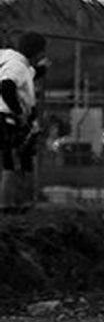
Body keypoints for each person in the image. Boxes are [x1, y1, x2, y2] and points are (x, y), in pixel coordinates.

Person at [0, 31, 49, 213]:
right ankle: (7, 205)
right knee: (12, 161)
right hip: (8, 118)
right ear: (36, 52)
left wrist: (40, 70)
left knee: (23, 159)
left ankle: (21, 203)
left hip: (10, 117)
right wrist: (19, 112)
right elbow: (7, 86)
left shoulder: (13, 61)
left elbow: (26, 76)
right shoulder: (17, 66)